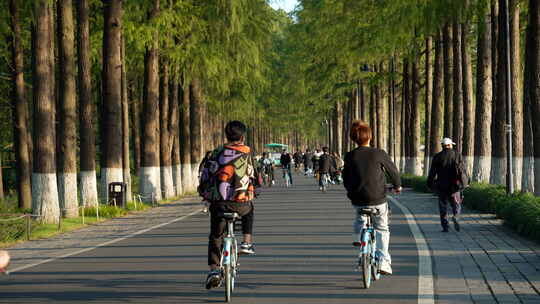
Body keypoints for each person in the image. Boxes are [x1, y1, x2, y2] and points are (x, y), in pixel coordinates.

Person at [204, 121, 258, 289]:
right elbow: (254, 175)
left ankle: (214, 269)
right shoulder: (247, 152)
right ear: (242, 136)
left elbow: (205, 175)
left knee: (215, 235)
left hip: (219, 203)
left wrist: (206, 195)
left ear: (226, 135)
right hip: (240, 203)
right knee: (250, 209)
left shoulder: (216, 153)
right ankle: (247, 242)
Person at [343, 120, 401, 275]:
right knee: (382, 227)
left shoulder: (349, 156)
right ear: (369, 136)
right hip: (378, 198)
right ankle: (383, 261)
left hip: (357, 198)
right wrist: (397, 186)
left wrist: (351, 192)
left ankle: (360, 240)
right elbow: (393, 172)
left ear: (354, 138)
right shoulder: (379, 153)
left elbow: (346, 178)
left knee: (359, 217)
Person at [427, 137, 468, 233]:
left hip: (441, 186)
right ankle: (456, 217)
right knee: (456, 204)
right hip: (455, 186)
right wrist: (466, 182)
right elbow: (463, 170)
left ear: (442, 146)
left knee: (443, 207)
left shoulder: (437, 157)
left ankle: (445, 226)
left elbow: (432, 172)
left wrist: (429, 184)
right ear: (450, 145)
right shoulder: (457, 155)